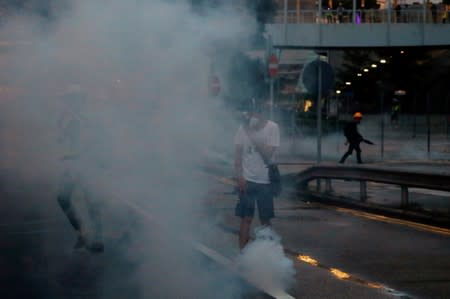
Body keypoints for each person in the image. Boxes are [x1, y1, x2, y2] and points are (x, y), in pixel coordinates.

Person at [56, 84, 104, 253]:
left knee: (89, 200)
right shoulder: (66, 117)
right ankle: (84, 233)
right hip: (71, 165)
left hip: (83, 165)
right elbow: (62, 142)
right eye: (68, 99)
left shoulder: (83, 119)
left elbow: (93, 142)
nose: (68, 102)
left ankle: (95, 237)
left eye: (73, 99)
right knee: (64, 198)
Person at [234, 101, 280, 250]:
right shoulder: (242, 129)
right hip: (247, 180)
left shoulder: (272, 128)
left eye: (258, 113)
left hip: (265, 181)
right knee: (246, 219)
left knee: (265, 220)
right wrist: (239, 177)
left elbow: (268, 154)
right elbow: (237, 155)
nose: (254, 117)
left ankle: (268, 254)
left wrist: (253, 135)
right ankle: (242, 254)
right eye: (252, 113)